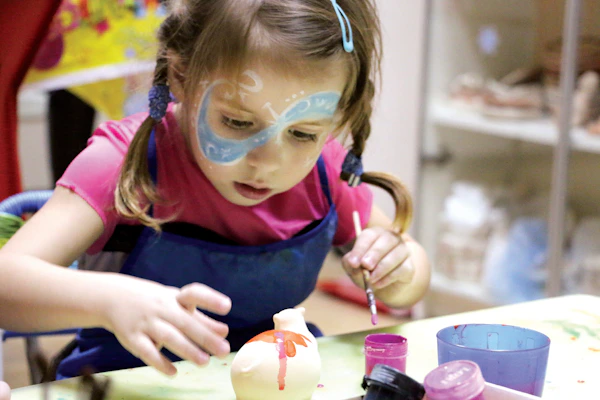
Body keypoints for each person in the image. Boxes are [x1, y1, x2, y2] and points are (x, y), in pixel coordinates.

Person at [0, 0, 430, 380]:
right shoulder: (124, 163)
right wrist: (109, 301)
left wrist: (398, 269)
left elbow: (409, 277)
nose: (268, 161)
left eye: (301, 133)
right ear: (181, 75)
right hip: (129, 380)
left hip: (276, 378)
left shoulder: (324, 171)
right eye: (238, 123)